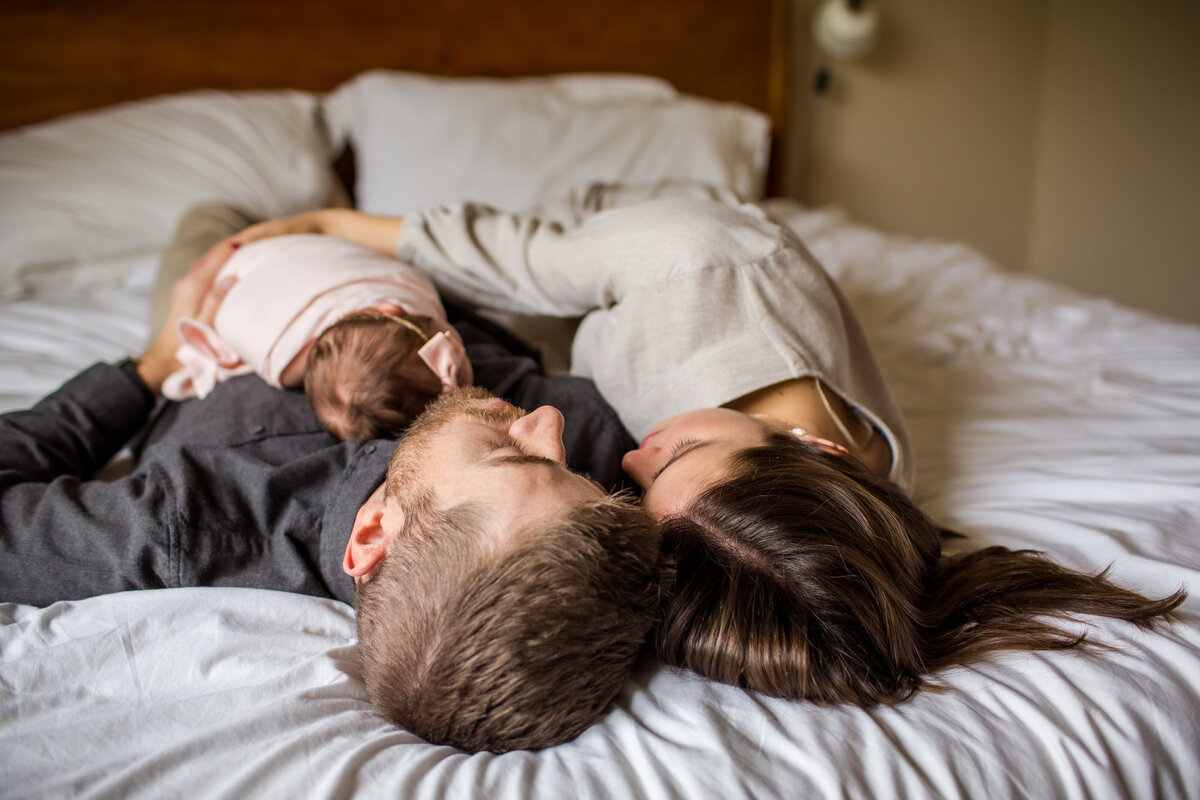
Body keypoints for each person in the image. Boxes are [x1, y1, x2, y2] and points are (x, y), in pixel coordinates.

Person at [216, 182, 1187, 707]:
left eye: (647, 490)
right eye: (668, 458)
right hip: (584, 227)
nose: (627, 461)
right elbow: (515, 246)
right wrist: (326, 220)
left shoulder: (850, 509)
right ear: (813, 445)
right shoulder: (697, 265)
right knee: (226, 239)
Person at [0, 205, 664, 754]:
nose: (549, 422)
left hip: (217, 323)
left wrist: (147, 369)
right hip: (432, 293)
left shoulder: (180, 524)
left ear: (373, 533)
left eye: (514, 456)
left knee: (216, 215)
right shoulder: (600, 453)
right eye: (574, 475)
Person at [161, 228, 472, 441]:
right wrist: (216, 305)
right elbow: (232, 319)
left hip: (284, 267)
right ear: (390, 309)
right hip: (253, 264)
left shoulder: (416, 291)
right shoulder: (284, 356)